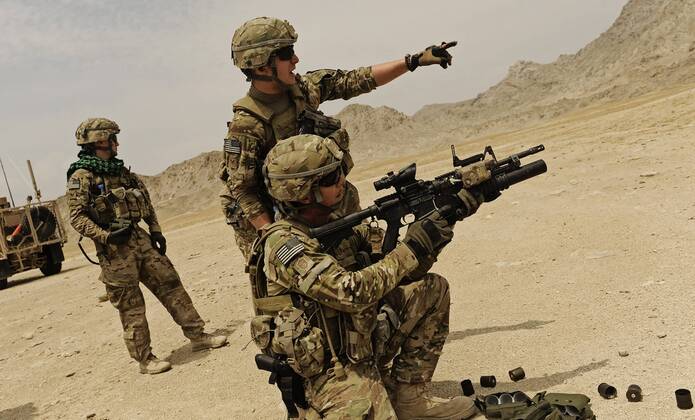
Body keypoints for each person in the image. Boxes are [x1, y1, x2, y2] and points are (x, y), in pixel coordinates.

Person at [248, 134, 482, 419]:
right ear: (304, 192)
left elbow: (397, 274)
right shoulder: (285, 245)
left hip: (363, 341)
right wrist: (412, 248)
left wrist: (441, 225)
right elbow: (352, 292)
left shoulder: (337, 223)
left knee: (432, 289)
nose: (342, 181)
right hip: (328, 373)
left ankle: (410, 401)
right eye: (332, 176)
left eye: (342, 170)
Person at [221, 16, 457, 259]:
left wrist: (414, 61)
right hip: (288, 221)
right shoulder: (247, 126)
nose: (296, 59)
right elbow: (243, 190)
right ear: (261, 67)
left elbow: (354, 80)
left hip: (324, 202)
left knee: (366, 263)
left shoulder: (302, 89)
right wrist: (274, 238)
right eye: (286, 53)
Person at [66, 118, 227, 374]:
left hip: (140, 240)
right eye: (112, 138)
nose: (117, 143)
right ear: (98, 142)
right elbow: (76, 217)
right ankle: (145, 359)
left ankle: (198, 336)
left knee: (171, 285)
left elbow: (146, 201)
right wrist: (106, 236)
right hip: (114, 252)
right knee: (131, 306)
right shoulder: (81, 177)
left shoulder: (122, 172)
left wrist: (155, 230)